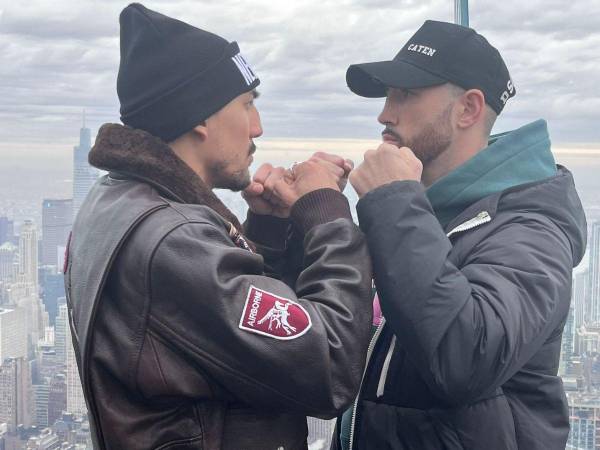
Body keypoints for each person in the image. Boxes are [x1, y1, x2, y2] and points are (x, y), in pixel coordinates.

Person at [63, 4, 373, 450]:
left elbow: (214, 337)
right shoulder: (170, 240)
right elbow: (329, 366)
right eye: (247, 105)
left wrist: (267, 230)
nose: (258, 128)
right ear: (199, 117)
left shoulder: (117, 200)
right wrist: (325, 212)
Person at [333, 20, 587, 450]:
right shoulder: (427, 215)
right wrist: (297, 218)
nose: (384, 114)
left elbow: (467, 356)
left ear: (468, 109)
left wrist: (395, 200)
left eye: (405, 94)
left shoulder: (531, 226)